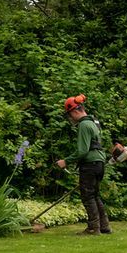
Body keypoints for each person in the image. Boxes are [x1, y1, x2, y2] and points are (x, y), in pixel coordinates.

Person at [54, 94, 111, 236]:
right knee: (95, 195)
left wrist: (65, 161)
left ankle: (93, 228)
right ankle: (104, 226)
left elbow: (82, 151)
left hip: (90, 164)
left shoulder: (84, 125)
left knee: (87, 196)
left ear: (75, 111)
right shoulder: (94, 122)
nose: (70, 119)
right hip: (99, 163)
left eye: (69, 115)